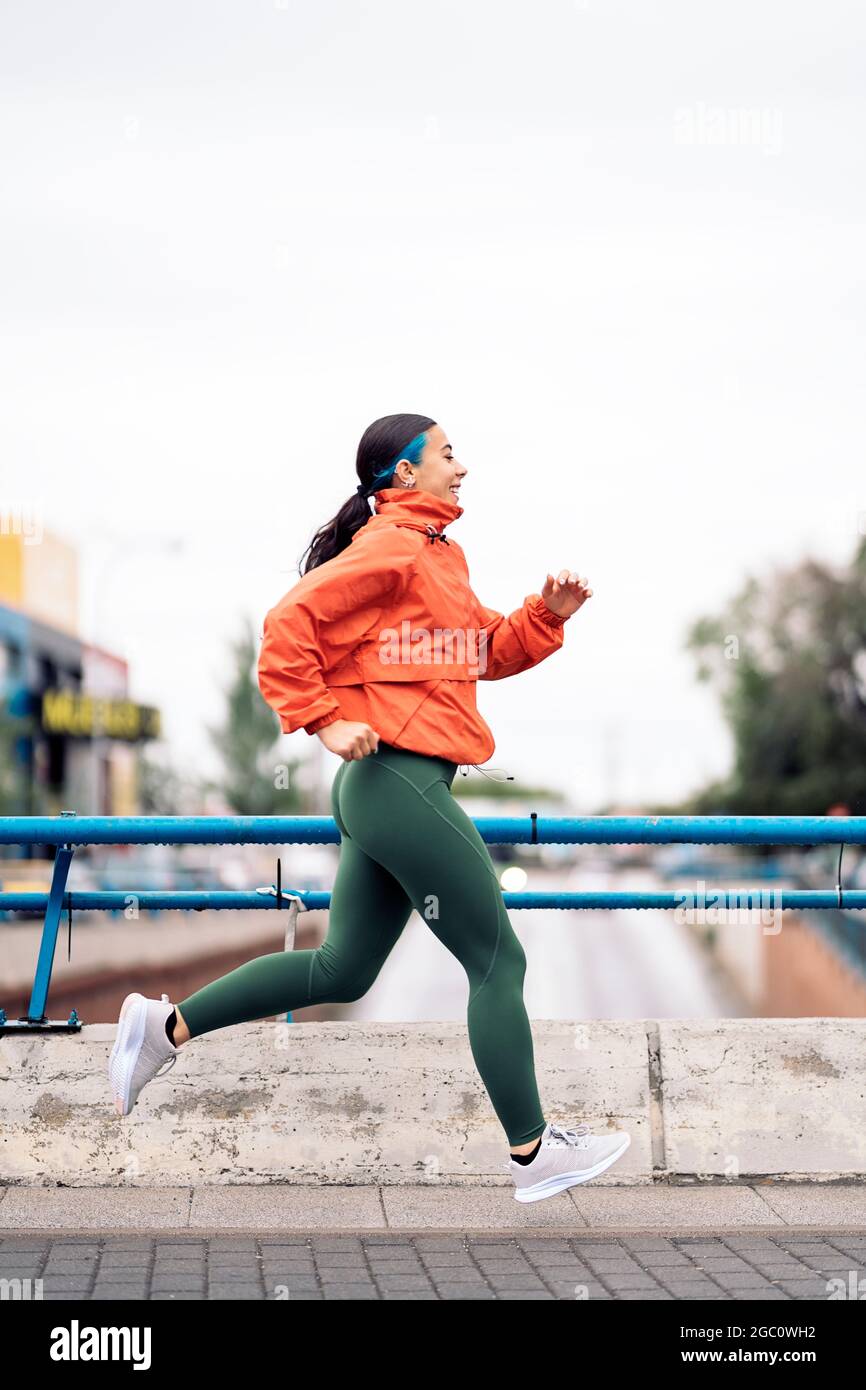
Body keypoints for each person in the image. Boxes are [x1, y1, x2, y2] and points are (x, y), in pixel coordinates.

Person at [108, 413, 630, 1202]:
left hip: (390, 789)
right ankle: (533, 1152)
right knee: (498, 960)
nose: (465, 467)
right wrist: (324, 718)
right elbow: (288, 627)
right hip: (395, 780)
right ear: (405, 475)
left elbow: (479, 654)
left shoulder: (436, 557)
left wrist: (545, 615)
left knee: (342, 969)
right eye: (450, 454)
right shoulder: (391, 544)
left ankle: (164, 1028)